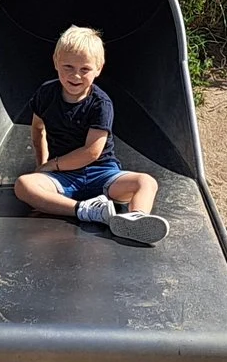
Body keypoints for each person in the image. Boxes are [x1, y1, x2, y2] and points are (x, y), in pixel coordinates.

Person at [12, 24, 168, 244]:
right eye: (68, 66)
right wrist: (42, 165)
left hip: (102, 172)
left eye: (85, 69)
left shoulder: (100, 104)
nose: (75, 75)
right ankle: (85, 210)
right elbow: (38, 128)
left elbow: (91, 152)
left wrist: (53, 164)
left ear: (99, 68)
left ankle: (136, 218)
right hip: (65, 177)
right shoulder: (46, 94)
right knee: (24, 185)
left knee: (146, 182)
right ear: (56, 61)